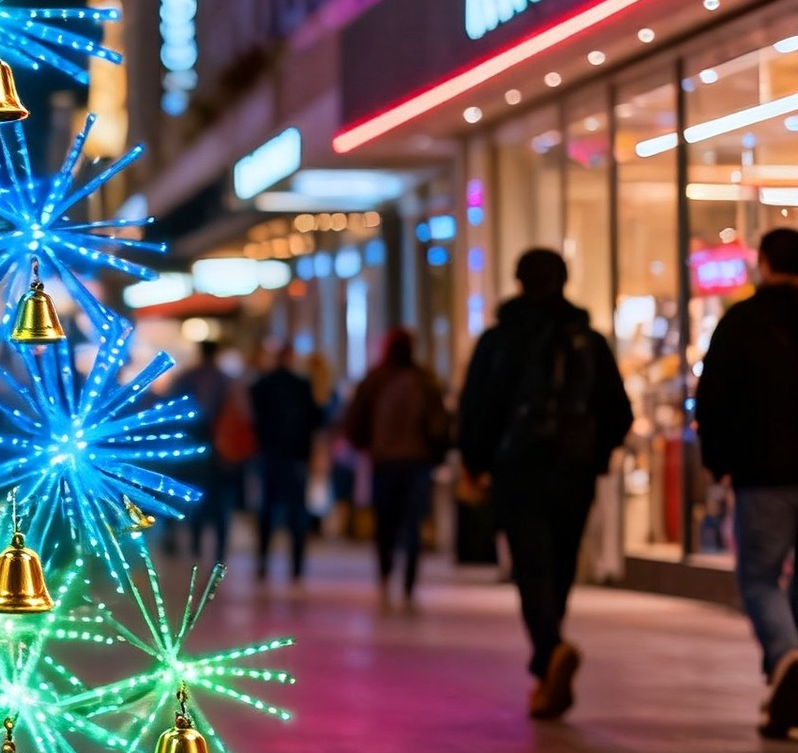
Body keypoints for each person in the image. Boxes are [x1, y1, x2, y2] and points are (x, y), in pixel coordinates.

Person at [459, 248, 632, 720]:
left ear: (518, 281)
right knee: (560, 564)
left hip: (519, 468)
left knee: (531, 565)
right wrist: (596, 457)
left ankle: (550, 651)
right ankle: (548, 663)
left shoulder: (499, 340)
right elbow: (618, 411)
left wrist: (475, 461)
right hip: (574, 469)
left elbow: (477, 406)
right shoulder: (588, 340)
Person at [693, 224, 798, 738]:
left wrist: (717, 462)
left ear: (763, 263)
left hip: (763, 473)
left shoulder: (741, 323)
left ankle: (786, 658)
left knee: (758, 577)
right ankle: (790, 678)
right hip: (773, 470)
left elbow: (712, 399)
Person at [344, 327, 450, 612]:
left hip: (386, 460)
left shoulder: (376, 380)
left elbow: (356, 419)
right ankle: (408, 583)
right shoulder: (423, 381)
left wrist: (364, 444)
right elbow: (438, 423)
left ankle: (386, 576)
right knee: (411, 523)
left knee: (386, 522)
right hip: (415, 461)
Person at [172, 339, 250, 568]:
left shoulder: (186, 379)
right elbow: (243, 414)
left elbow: (174, 410)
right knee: (220, 501)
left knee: (197, 497)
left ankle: (196, 545)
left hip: (194, 447)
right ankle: (219, 549)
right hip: (222, 449)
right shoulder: (228, 381)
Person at [251, 340, 322, 585]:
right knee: (296, 514)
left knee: (267, 511)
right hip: (294, 457)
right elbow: (316, 419)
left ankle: (262, 562)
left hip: (270, 455)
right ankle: (296, 568)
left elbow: (254, 420)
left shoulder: (262, 385)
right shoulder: (301, 386)